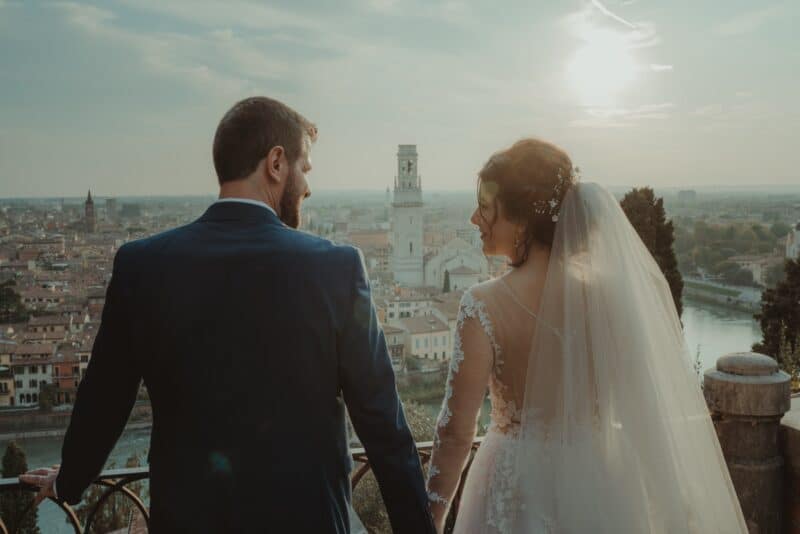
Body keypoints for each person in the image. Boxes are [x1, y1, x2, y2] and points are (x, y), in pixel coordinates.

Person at [22, 97, 435, 534]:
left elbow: (105, 399)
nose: (309, 186)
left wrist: (69, 482)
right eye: (306, 168)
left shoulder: (142, 265)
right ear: (276, 162)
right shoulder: (336, 269)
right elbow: (383, 428)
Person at [425, 138, 747, 533]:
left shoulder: (483, 304)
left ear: (522, 220)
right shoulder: (611, 298)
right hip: (601, 484)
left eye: (486, 209)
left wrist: (431, 519)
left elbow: (457, 432)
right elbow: (644, 410)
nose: (475, 219)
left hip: (512, 489)